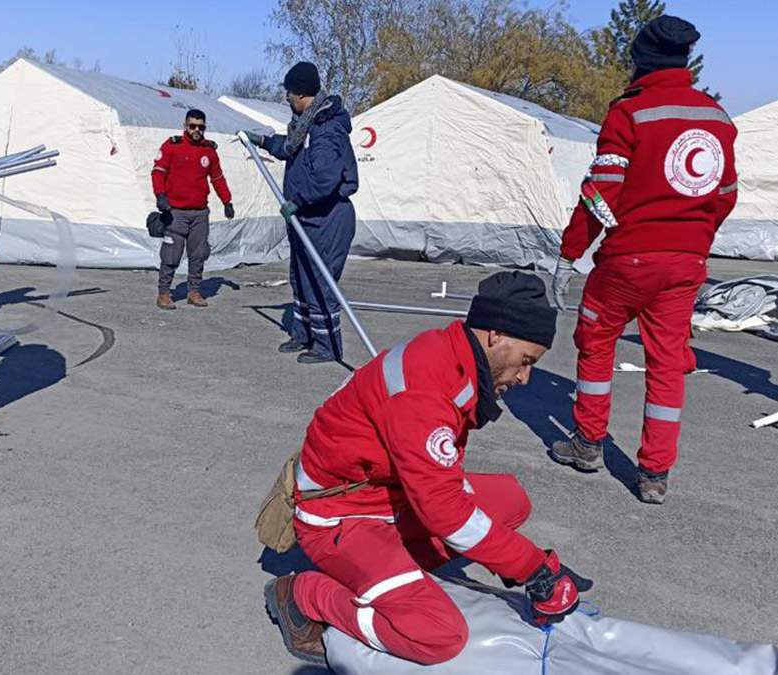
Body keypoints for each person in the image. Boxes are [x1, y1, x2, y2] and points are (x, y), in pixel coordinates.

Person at [265, 272, 592, 666]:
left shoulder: (450, 355)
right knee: (437, 636)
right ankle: (303, 593)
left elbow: (441, 493)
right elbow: (445, 512)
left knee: (510, 503)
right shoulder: (426, 391)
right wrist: (533, 568)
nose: (524, 378)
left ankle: (386, 571)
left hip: (381, 495)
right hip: (340, 517)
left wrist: (517, 559)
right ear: (496, 335)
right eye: (525, 361)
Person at [547, 15, 738, 504]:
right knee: (667, 364)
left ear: (640, 61)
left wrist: (569, 254)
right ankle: (654, 474)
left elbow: (600, 193)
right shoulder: (717, 118)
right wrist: (695, 237)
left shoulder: (630, 112)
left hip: (627, 260)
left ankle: (588, 443)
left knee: (596, 344)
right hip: (685, 264)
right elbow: (726, 193)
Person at [245, 61, 358, 364]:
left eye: (288, 92)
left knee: (320, 280)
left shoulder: (326, 128)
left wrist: (300, 200)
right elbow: (290, 149)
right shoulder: (305, 125)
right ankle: (303, 332)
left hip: (327, 216)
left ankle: (326, 345)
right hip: (305, 217)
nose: (286, 98)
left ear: (300, 93)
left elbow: (325, 178)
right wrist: (264, 141)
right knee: (301, 276)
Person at [151, 109, 233, 309]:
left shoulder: (209, 151)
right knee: (171, 255)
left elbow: (217, 178)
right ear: (185, 126)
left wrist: (227, 201)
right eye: (193, 126)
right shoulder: (172, 146)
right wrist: (160, 195)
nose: (197, 130)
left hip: (199, 213)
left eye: (201, 127)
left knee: (198, 254)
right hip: (175, 212)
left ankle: (194, 292)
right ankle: (164, 293)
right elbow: (158, 172)